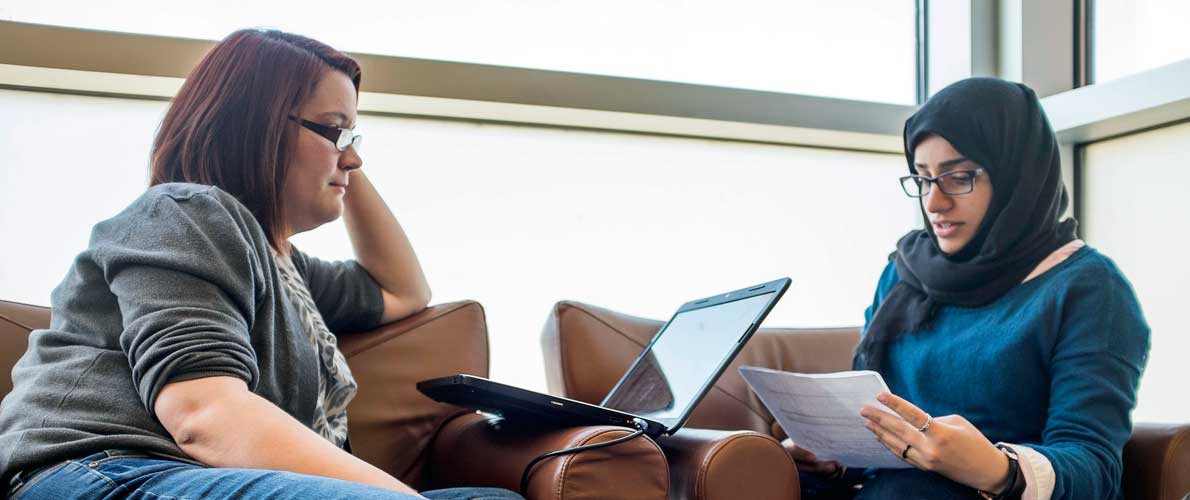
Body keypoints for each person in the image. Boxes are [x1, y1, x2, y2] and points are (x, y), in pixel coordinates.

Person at [0, 29, 523, 500]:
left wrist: (338, 148)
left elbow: (403, 290)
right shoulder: (185, 212)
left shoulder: (287, 268)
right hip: (107, 471)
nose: (355, 158)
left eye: (354, 137)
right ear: (257, 127)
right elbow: (203, 414)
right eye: (333, 130)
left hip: (202, 478)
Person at [789, 78, 1150, 500]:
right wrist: (834, 459)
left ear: (1017, 174)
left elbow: (1096, 468)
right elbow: (876, 435)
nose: (935, 204)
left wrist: (998, 470)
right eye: (923, 179)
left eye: (958, 178)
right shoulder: (905, 274)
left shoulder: (1087, 288)